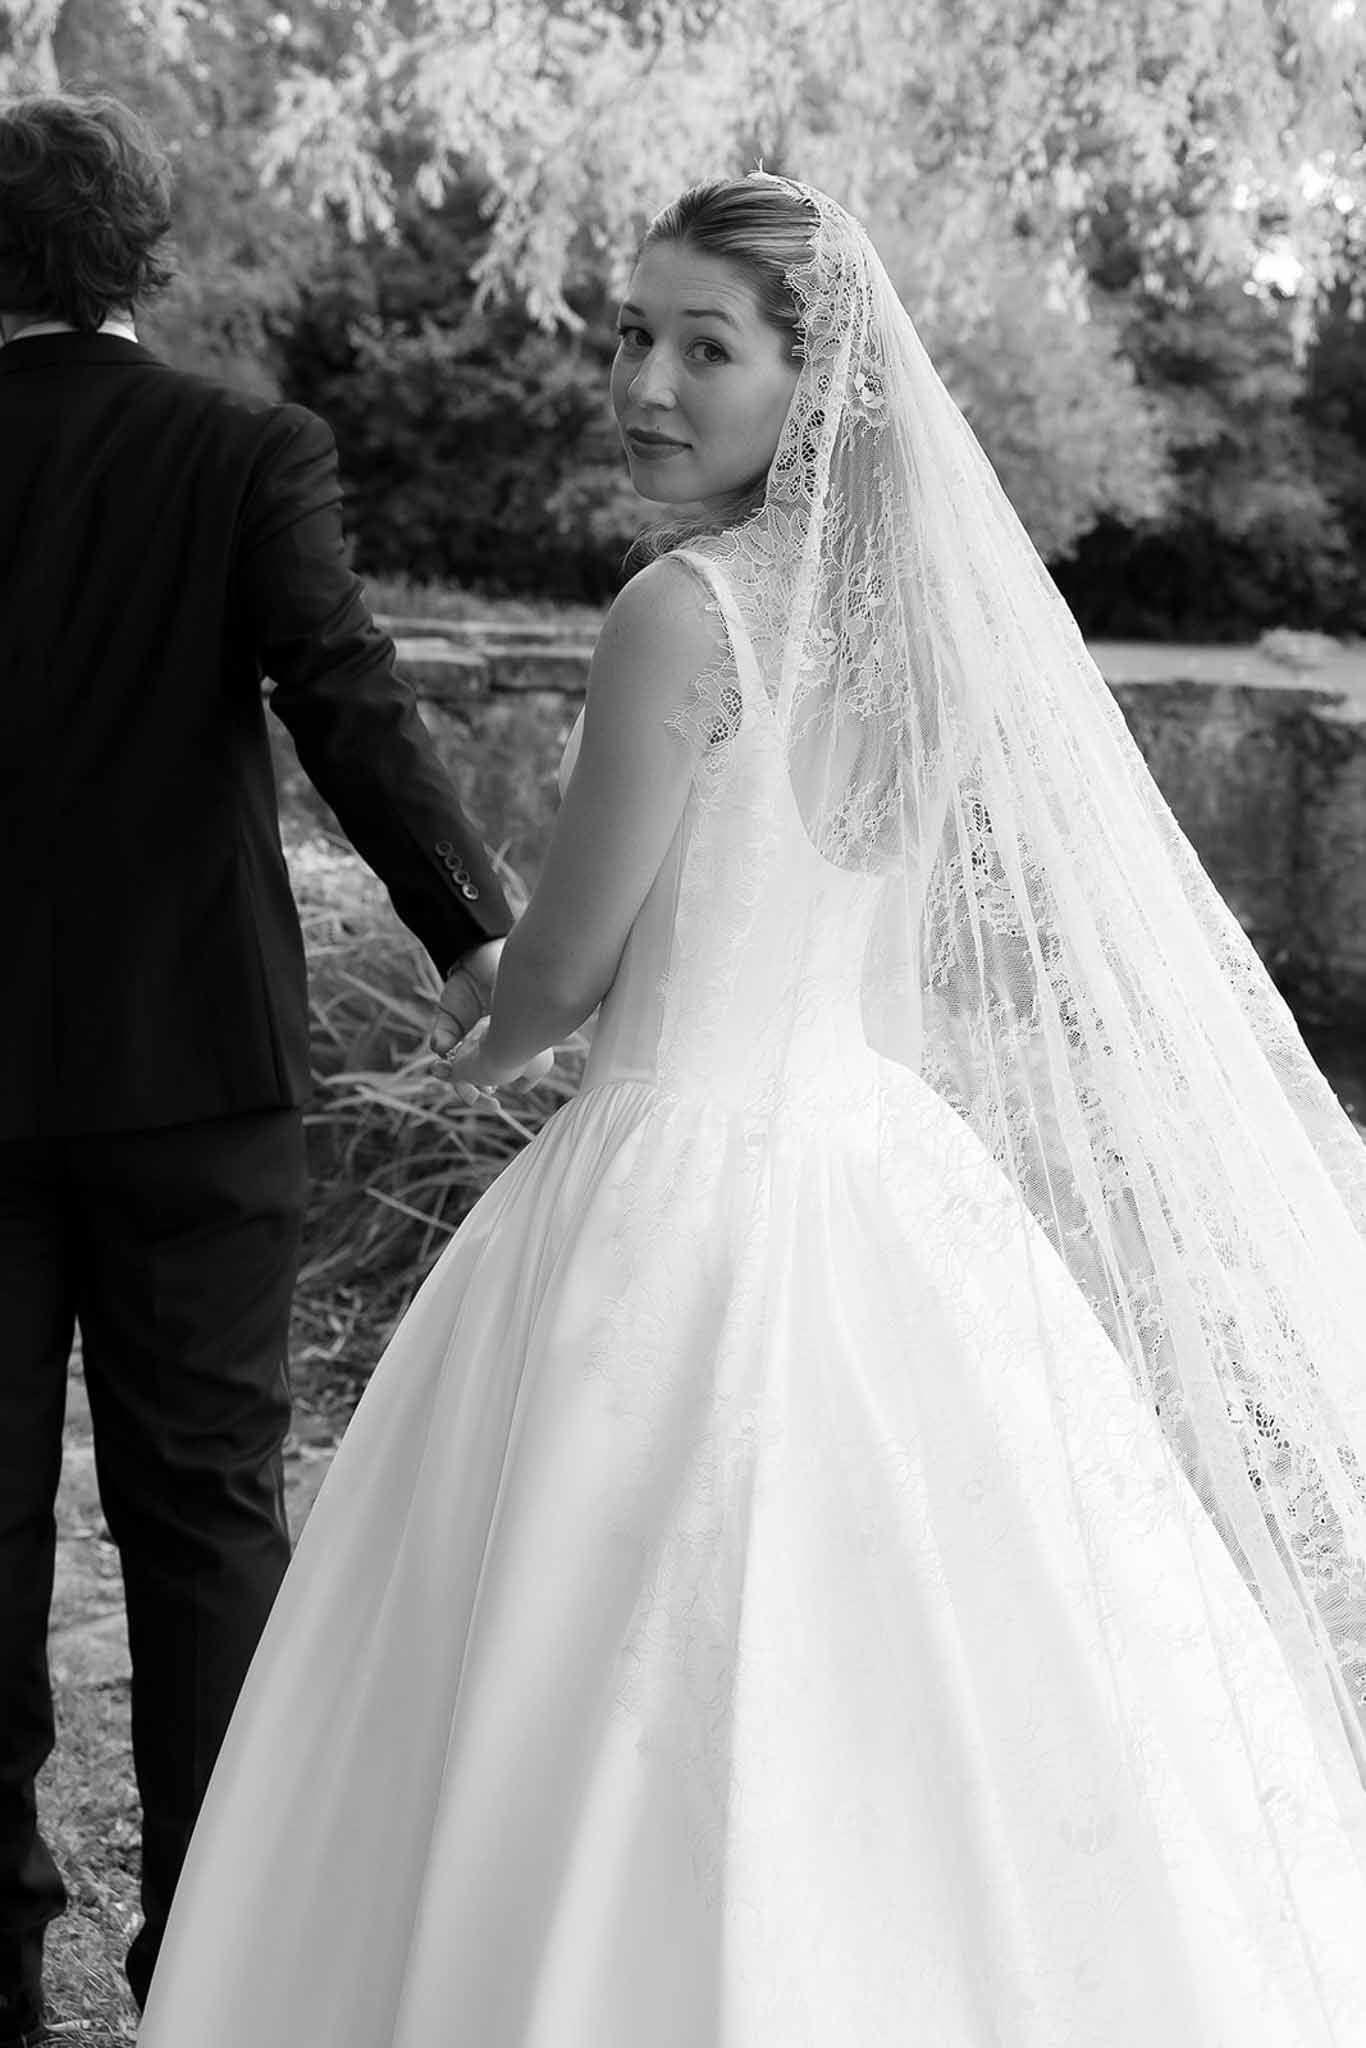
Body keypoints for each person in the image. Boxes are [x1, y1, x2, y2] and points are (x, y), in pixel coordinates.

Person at [140, 175, 1366, 2046]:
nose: (646, 380)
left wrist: (466, 1033)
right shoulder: (924, 629)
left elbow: (560, 973)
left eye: (705, 345)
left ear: (821, 385)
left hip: (673, 1178)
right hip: (872, 1162)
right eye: (633, 333)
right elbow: (875, 957)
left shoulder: (680, 611)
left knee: (596, 1641)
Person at [0, 90, 517, 2046]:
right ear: (147, 263)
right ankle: (203, 1965)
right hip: (195, 1062)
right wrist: (474, 927)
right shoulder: (238, 451)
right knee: (208, 1509)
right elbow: (344, 690)